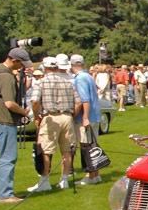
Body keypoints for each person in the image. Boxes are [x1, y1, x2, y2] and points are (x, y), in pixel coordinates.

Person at [28, 54, 80, 192]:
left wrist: (36, 117)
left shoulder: (41, 82)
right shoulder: (68, 82)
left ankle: (44, 180)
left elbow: (34, 101)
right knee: (67, 150)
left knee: (46, 150)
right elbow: (78, 102)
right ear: (57, 67)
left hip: (50, 116)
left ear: (44, 68)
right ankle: (64, 180)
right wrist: (72, 116)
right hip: (67, 116)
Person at [0, 47, 34, 203]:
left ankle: (7, 192)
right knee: (8, 157)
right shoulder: (6, 77)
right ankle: (5, 195)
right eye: (21, 64)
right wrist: (23, 112)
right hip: (4, 119)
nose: (23, 67)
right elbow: (9, 103)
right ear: (14, 60)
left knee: (7, 156)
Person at [70, 53, 104, 185]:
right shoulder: (88, 76)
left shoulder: (79, 79)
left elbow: (84, 100)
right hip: (95, 115)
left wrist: (84, 117)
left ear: (72, 65)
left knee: (87, 146)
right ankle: (96, 174)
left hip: (87, 117)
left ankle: (90, 176)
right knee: (93, 146)